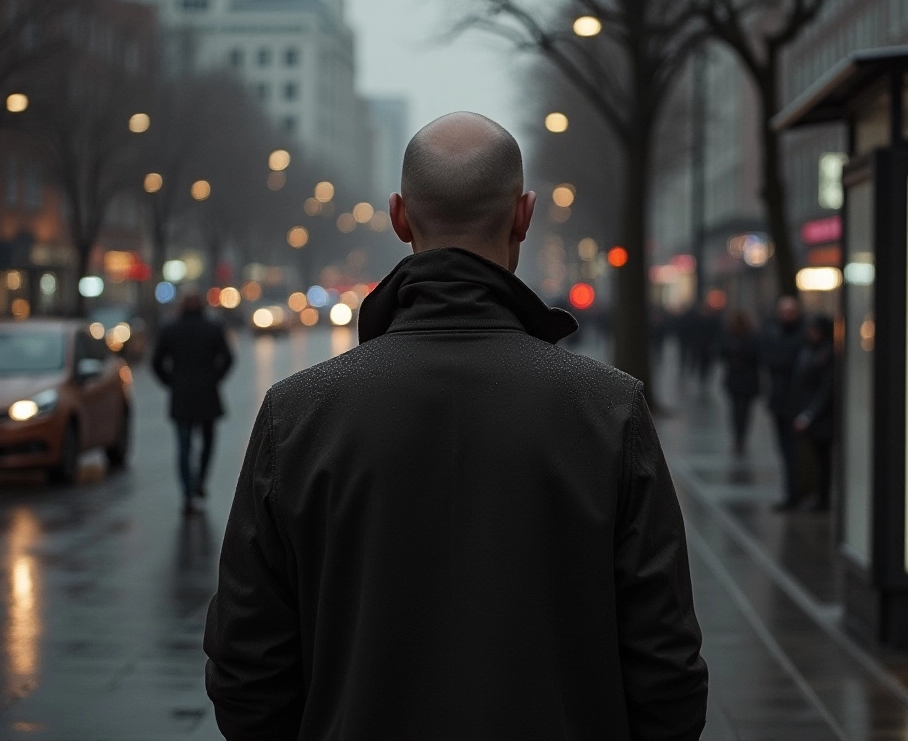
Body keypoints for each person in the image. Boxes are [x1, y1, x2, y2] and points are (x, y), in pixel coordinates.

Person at [204, 112, 709, 739]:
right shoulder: (607, 410)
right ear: (524, 215)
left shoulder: (299, 412)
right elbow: (667, 673)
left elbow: (246, 669)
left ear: (398, 217)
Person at [152, 290, 233, 515]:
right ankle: (200, 482)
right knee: (208, 443)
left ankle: (187, 493)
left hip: (181, 396)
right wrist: (214, 378)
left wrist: (171, 382)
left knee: (184, 447)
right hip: (208, 394)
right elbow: (228, 358)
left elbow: (156, 362)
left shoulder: (170, 329)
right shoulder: (213, 328)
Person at [760, 296, 806, 510]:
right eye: (784, 312)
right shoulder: (773, 332)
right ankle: (792, 493)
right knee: (785, 450)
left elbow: (784, 359)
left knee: (794, 451)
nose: (786, 316)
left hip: (796, 403)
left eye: (790, 312)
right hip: (779, 401)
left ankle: (796, 494)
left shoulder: (800, 336)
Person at [790, 315, 836, 511]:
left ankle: (821, 498)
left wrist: (809, 414)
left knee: (823, 459)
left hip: (822, 417)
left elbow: (826, 388)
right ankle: (812, 494)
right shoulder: (808, 350)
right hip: (809, 411)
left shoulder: (827, 354)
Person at [719, 310, 761, 456]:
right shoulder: (731, 337)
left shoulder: (750, 338)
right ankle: (739, 438)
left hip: (745, 380)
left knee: (741, 411)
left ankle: (740, 438)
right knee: (739, 411)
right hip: (738, 380)